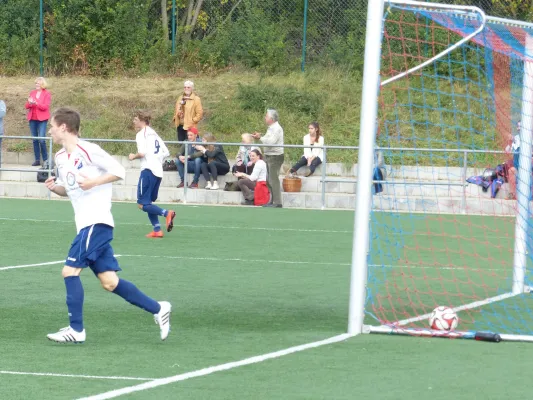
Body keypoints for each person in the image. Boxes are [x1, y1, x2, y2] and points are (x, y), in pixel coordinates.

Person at [43, 107, 172, 343]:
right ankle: (158, 309)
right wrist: (55, 189)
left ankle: (77, 330)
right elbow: (69, 190)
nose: (49, 130)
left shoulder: (89, 150)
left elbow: (119, 171)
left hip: (97, 221)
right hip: (85, 225)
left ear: (63, 127)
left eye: (52, 125)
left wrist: (94, 182)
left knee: (69, 271)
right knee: (110, 282)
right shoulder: (60, 157)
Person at [128, 111, 176, 238]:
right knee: (148, 203)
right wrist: (156, 158)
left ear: (142, 120)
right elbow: (166, 152)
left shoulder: (141, 134)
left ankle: (166, 213)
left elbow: (142, 153)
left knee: (142, 204)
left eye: (135, 118)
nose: (134, 121)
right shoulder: (154, 133)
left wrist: (133, 156)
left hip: (148, 170)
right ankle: (157, 230)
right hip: (158, 171)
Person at [252, 109, 284, 208]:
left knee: (273, 179)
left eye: (266, 116)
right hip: (268, 155)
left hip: (275, 156)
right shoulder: (270, 128)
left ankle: (277, 202)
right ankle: (272, 200)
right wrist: (259, 137)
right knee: (268, 179)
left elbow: (271, 142)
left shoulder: (277, 128)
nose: (265, 118)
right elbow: (267, 139)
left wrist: (260, 138)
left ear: (271, 118)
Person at [25, 77, 51, 166]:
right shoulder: (32, 93)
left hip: (42, 119)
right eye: (35, 83)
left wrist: (36, 103)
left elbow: (45, 107)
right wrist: (30, 103)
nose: (36, 85)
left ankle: (46, 160)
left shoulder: (47, 94)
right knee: (35, 140)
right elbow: (27, 106)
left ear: (42, 85)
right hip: (32, 119)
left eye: (38, 84)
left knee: (42, 140)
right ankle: (37, 160)